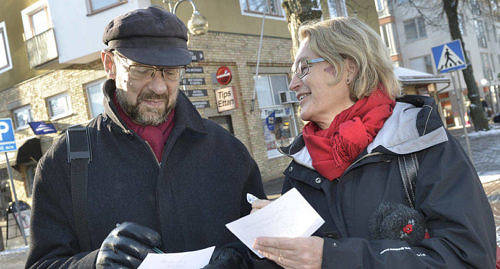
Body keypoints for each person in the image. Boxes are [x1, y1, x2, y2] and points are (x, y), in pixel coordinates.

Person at [26, 6, 265, 268]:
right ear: (110, 64)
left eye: (170, 72)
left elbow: (264, 244)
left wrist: (238, 259)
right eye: (142, 70)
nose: (158, 87)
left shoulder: (227, 149)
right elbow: (42, 263)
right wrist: (92, 264)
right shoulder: (64, 161)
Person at [250, 17, 496, 268]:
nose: (293, 84)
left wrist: (333, 256)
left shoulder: (421, 143)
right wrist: (266, 239)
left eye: (304, 68)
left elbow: (468, 256)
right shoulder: (301, 165)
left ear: (349, 68)